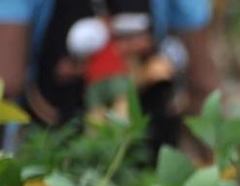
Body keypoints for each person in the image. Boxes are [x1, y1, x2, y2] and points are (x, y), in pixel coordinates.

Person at [0, 0, 217, 148]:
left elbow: (8, 81)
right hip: (147, 160)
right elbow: (203, 83)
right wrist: (216, 167)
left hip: (55, 157)